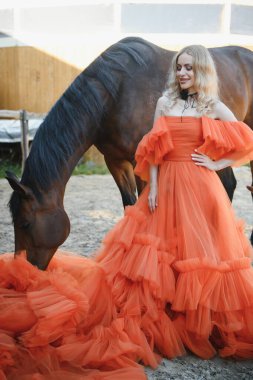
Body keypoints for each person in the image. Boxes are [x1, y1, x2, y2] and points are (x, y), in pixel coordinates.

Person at [1, 45, 253, 379]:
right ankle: (169, 307)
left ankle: (203, 318)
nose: (182, 74)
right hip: (169, 180)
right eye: (179, 68)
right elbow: (153, 147)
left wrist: (217, 163)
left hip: (201, 183)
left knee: (204, 253)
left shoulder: (212, 106)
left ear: (202, 71)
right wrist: (155, 187)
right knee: (157, 248)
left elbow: (244, 137)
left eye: (189, 69)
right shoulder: (164, 102)